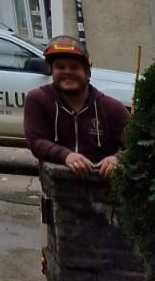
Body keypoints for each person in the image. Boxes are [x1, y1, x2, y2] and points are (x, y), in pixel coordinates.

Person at [22, 37, 129, 178]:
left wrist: (118, 159)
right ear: (52, 71)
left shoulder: (112, 108)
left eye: (74, 67)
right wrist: (66, 156)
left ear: (87, 72)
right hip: (59, 188)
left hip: (105, 190)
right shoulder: (38, 100)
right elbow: (36, 141)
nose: (67, 72)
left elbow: (137, 145)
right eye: (60, 67)